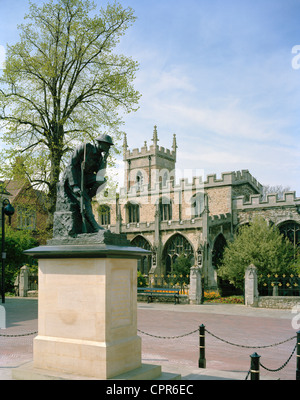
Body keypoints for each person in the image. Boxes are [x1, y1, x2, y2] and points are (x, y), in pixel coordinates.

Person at [56, 134, 114, 234]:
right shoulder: (85, 148)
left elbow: (100, 175)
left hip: (85, 178)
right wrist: (75, 186)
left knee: (102, 180)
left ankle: (88, 196)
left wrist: (104, 160)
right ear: (100, 143)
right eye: (107, 145)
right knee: (84, 198)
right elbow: (71, 165)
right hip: (73, 177)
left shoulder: (100, 157)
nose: (108, 147)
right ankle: (94, 226)